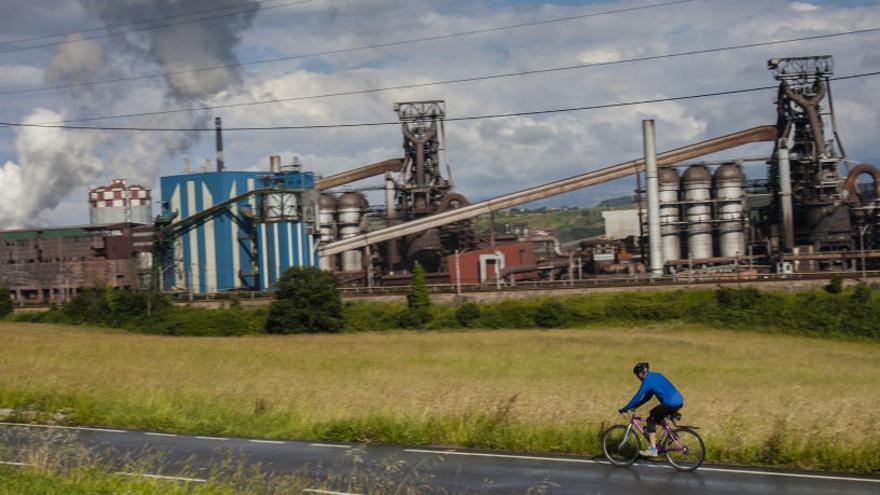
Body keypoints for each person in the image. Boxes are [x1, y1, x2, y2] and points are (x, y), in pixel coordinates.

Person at [618, 362, 683, 457]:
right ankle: (680, 444)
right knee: (653, 413)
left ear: (640, 374)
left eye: (637, 376)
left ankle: (653, 449)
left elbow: (638, 396)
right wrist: (636, 406)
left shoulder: (647, 381)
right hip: (679, 401)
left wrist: (626, 408)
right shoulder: (656, 375)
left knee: (650, 420)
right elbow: (647, 397)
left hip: (670, 404)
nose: (638, 378)